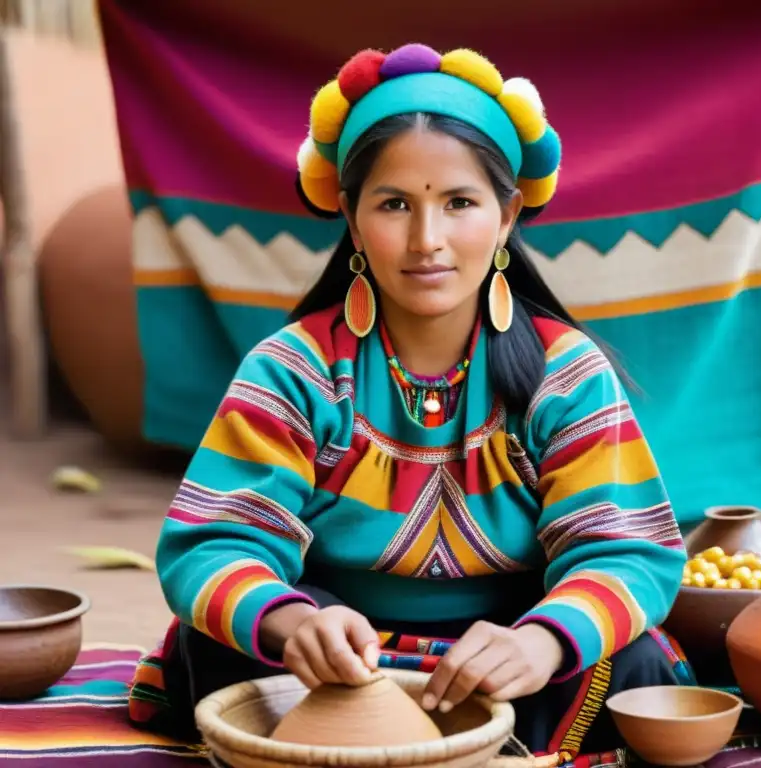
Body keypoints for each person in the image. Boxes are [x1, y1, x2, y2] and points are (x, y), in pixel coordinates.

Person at [127, 43, 692, 765]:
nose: (428, 241)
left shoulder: (565, 373)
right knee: (213, 639)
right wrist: (292, 623)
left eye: (459, 202)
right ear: (352, 218)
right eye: (395, 204)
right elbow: (211, 542)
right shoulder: (293, 370)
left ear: (508, 214)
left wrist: (542, 641)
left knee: (629, 662)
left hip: (504, 655)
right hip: (334, 663)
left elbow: (628, 552)